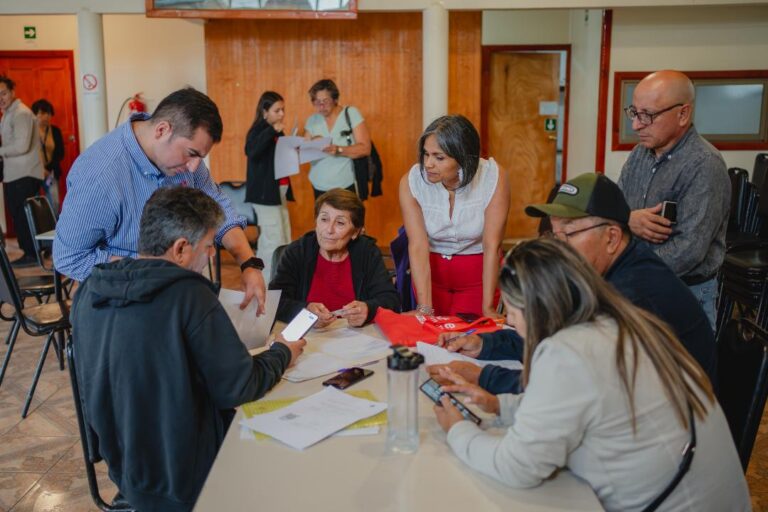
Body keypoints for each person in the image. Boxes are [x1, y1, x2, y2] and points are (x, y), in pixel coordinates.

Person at [432, 238, 749, 511]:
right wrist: (501, 407)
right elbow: (578, 406)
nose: (511, 324)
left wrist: (458, 430)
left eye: (511, 312)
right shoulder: (622, 321)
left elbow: (517, 467)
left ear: (537, 308)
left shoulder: (567, 353)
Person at [70, 187, 305, 512]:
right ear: (181, 248)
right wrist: (283, 352)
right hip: (189, 477)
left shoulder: (88, 292)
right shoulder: (189, 296)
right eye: (209, 246)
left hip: (123, 468)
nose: (211, 256)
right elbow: (239, 386)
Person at [429, 172, 717, 394]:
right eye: (555, 235)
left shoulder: (633, 293)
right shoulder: (599, 270)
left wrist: (483, 376)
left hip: (671, 436)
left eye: (570, 234)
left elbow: (569, 385)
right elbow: (555, 334)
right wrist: (485, 345)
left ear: (612, 237)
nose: (559, 247)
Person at [54, 87, 268, 313]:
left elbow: (219, 207)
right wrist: (153, 268)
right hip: (124, 303)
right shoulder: (101, 175)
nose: (195, 167)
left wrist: (249, 264)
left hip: (177, 293)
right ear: (162, 130)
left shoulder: (183, 161)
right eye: (192, 154)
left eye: (200, 158)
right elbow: (69, 257)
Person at [618, 70, 730, 330]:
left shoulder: (704, 165)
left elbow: (689, 251)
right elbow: (617, 207)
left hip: (683, 295)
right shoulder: (639, 154)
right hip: (638, 288)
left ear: (683, 114)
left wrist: (626, 272)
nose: (636, 125)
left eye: (648, 115)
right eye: (634, 113)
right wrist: (628, 219)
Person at [399, 114, 510, 318]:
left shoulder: (493, 177)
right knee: (431, 338)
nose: (428, 164)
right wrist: (424, 308)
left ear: (464, 158)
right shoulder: (412, 181)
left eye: (439, 157)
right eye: (426, 154)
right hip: (431, 279)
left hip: (477, 279)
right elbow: (417, 245)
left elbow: (492, 245)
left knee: (471, 340)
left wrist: (488, 308)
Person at [270, 188, 399, 328]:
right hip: (307, 338)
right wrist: (304, 311)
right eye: (324, 219)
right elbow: (274, 302)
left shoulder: (366, 253)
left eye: (340, 223)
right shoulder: (297, 252)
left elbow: (390, 300)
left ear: (355, 232)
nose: (329, 230)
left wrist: (369, 309)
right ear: (316, 222)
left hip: (355, 337)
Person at [244, 91, 294, 280]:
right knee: (271, 241)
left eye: (283, 110)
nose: (281, 114)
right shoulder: (259, 129)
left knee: (284, 238)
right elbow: (251, 151)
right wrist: (273, 130)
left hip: (278, 192)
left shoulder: (276, 130)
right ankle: (263, 283)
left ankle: (279, 281)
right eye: (277, 110)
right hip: (265, 196)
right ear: (265, 111)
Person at [0, 75, 44, 267]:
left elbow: (22, 146)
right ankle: (29, 253)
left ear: (12, 92)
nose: (0, 98)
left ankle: (32, 255)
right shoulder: (9, 113)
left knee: (24, 217)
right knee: (18, 216)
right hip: (15, 174)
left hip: (24, 174)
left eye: (3, 93)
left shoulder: (21, 113)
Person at [303, 79, 371, 199]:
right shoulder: (312, 120)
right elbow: (304, 152)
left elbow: (365, 148)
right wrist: (312, 144)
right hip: (318, 186)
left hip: (345, 186)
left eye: (325, 101)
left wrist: (338, 149)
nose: (321, 106)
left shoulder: (351, 114)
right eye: (317, 102)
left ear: (335, 99)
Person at [31, 98, 65, 213]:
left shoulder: (55, 131)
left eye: (47, 113)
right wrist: (40, 169)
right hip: (33, 173)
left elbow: (60, 153)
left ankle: (54, 228)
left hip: (51, 173)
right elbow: (29, 153)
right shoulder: (30, 131)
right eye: (40, 113)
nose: (43, 116)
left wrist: (48, 169)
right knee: (34, 204)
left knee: (54, 203)